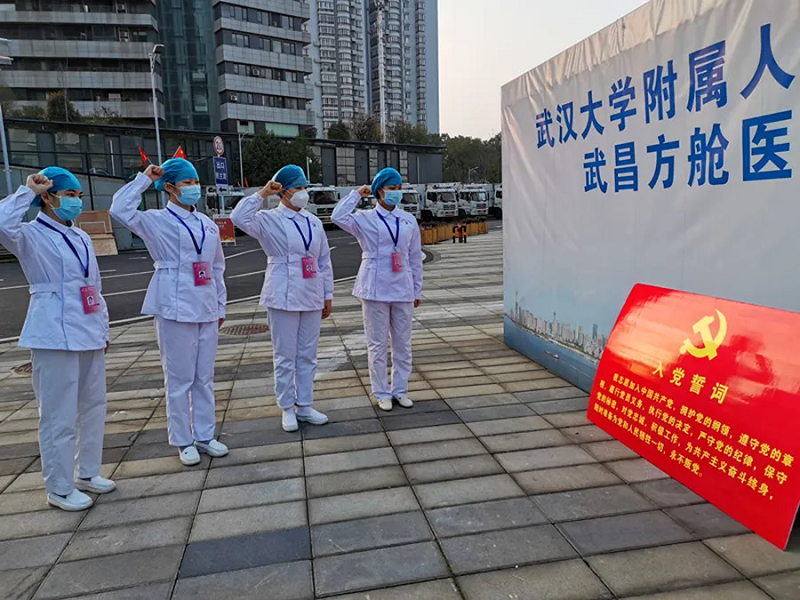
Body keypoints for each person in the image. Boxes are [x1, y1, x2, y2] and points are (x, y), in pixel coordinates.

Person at [0, 168, 114, 511]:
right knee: (58, 414)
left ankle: (88, 472)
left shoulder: (80, 237)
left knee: (93, 406)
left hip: (88, 327)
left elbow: (95, 287)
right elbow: (2, 223)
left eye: (78, 196)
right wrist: (27, 191)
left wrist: (103, 328)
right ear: (47, 198)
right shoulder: (29, 234)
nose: (75, 202)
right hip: (53, 330)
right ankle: (60, 487)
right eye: (68, 195)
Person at [110, 159, 229, 465]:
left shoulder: (207, 224)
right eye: (187, 183)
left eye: (195, 182)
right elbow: (119, 209)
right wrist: (145, 179)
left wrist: (220, 305)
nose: (193, 187)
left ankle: (205, 434)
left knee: (204, 376)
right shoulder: (156, 220)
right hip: (174, 305)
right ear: (170, 187)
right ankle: (183, 439)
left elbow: (217, 267)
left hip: (206, 305)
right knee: (179, 378)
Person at [231, 165, 333, 432]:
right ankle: (287, 407)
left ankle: (305, 405)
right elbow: (238, 217)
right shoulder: (268, 219)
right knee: (285, 355)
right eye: (298, 188)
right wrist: (262, 193)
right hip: (282, 293)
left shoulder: (313, 221)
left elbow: (323, 260)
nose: (303, 193)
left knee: (308, 355)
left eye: (305, 187)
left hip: (312, 292)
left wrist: (328, 294)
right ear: (283, 191)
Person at [331, 168, 422, 411]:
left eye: (399, 188)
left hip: (402, 287)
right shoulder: (365, 218)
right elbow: (337, 216)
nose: (396, 193)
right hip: (374, 287)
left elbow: (415, 257)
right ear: (379, 190)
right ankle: (381, 392)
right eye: (391, 188)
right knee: (377, 344)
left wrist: (417, 289)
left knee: (403, 344)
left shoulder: (408, 220)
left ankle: (400, 390)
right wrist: (356, 195)